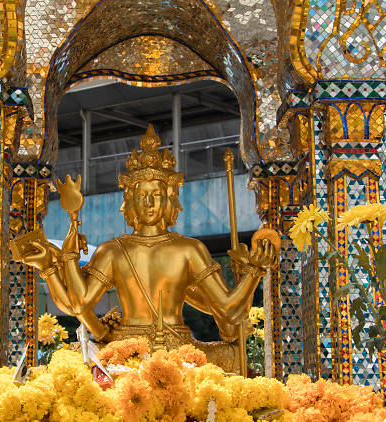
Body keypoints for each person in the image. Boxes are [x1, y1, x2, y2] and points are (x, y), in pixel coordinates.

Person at [19, 125, 277, 372]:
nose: (149, 202)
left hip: (176, 350)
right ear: (129, 199)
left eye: (157, 194)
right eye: (141, 195)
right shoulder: (113, 250)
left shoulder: (189, 249)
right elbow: (79, 304)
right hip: (124, 351)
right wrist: (58, 262)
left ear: (170, 198)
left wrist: (253, 271)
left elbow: (229, 311)